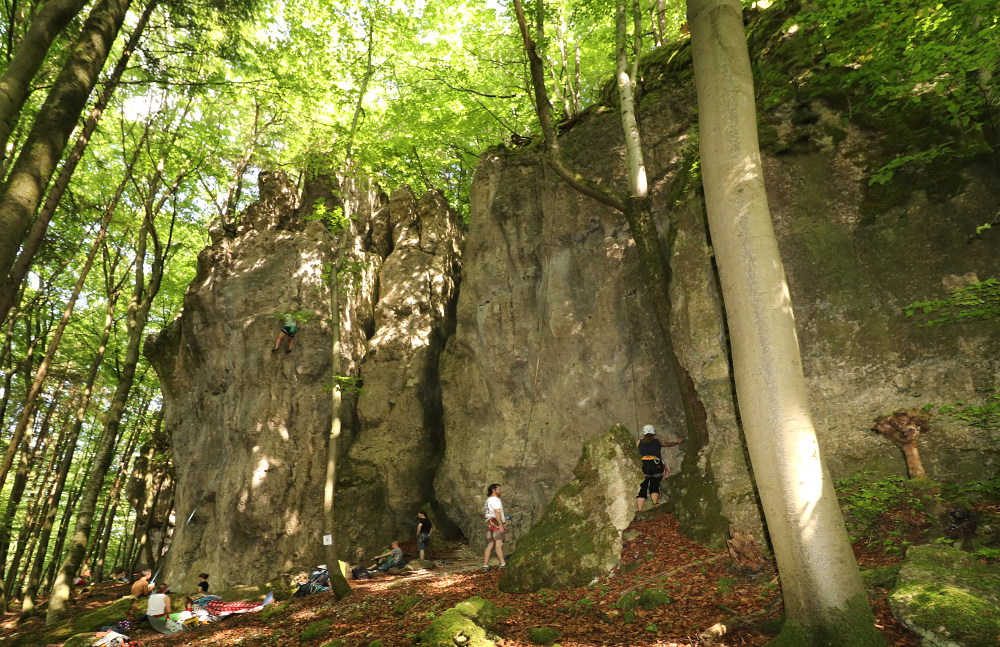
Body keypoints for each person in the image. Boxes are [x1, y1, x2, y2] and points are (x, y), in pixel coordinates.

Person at [636, 424, 685, 511]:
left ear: (643, 433)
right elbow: (669, 444)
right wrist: (677, 442)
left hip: (644, 466)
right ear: (654, 433)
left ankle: (639, 510)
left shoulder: (639, 442)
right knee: (654, 485)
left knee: (643, 487)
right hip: (656, 465)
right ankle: (655, 504)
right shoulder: (659, 442)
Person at [482, 483, 507, 572]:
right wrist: (500, 525)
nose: (500, 491)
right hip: (495, 522)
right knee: (499, 543)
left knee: (491, 544)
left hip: (489, 522)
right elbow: (497, 512)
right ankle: (503, 564)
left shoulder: (488, 500)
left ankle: (485, 565)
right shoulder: (496, 500)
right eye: (499, 489)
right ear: (493, 490)